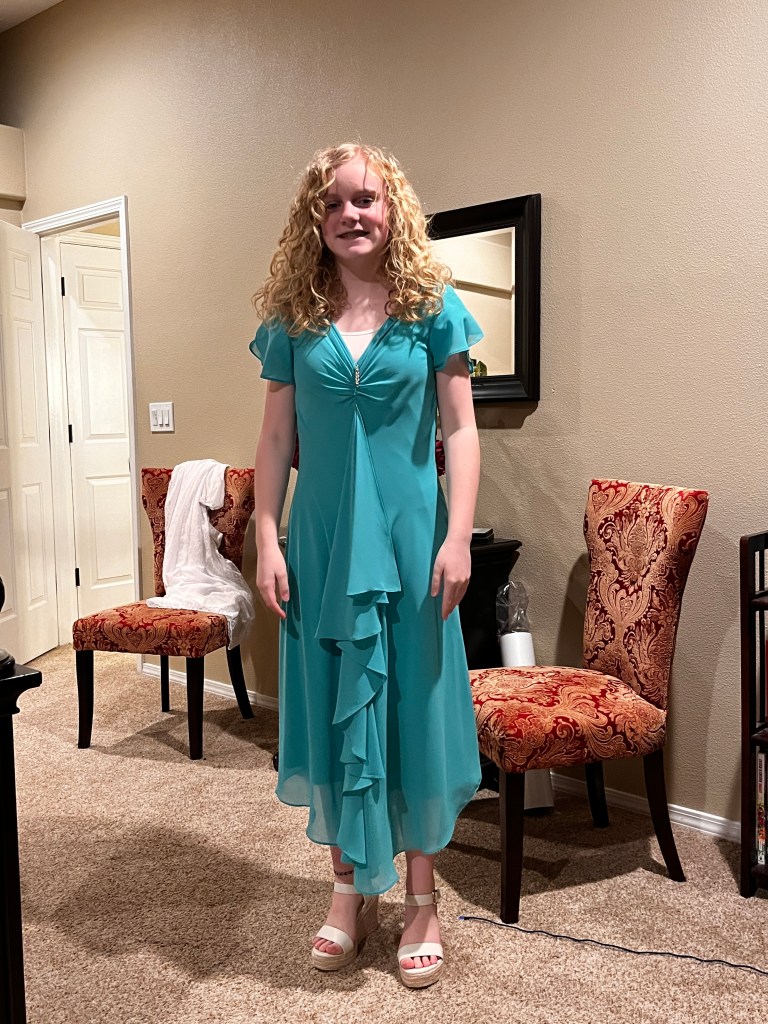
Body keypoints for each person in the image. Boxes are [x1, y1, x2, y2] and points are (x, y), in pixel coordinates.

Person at [250, 143, 482, 989]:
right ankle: (347, 889)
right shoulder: (293, 318)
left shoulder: (434, 307)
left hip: (415, 544)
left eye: (367, 199)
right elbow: (277, 437)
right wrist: (266, 535)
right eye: (335, 202)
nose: (352, 214)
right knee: (330, 705)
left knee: (414, 706)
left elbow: (460, 429)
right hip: (321, 543)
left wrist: (460, 537)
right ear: (315, 218)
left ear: (393, 211)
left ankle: (421, 898)